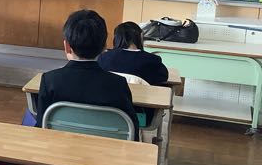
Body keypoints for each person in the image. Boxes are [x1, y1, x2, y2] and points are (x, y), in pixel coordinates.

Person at [36, 10, 139, 140]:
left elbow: (41, 128)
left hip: (60, 148)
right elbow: (132, 132)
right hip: (105, 150)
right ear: (104, 48)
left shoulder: (50, 80)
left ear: (67, 46)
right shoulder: (118, 84)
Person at [98, 21, 168, 86]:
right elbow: (163, 78)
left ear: (116, 38)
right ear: (140, 36)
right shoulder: (152, 60)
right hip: (141, 95)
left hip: (110, 95)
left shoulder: (103, 58)